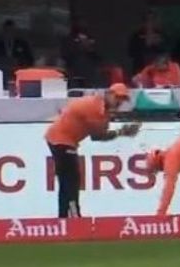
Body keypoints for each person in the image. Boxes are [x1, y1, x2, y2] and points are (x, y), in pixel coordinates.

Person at [43, 84, 139, 217]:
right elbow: (97, 136)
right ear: (109, 94)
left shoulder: (99, 107)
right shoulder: (97, 110)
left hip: (60, 139)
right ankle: (73, 216)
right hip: (62, 140)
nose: (120, 102)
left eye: (122, 100)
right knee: (71, 180)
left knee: (67, 181)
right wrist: (122, 132)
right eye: (118, 98)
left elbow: (98, 133)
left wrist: (120, 131)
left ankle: (64, 217)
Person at [127, 10, 164, 74]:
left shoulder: (162, 35)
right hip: (140, 69)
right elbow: (131, 52)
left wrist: (157, 43)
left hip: (158, 70)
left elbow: (166, 52)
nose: (150, 23)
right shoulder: (136, 36)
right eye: (147, 20)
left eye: (152, 20)